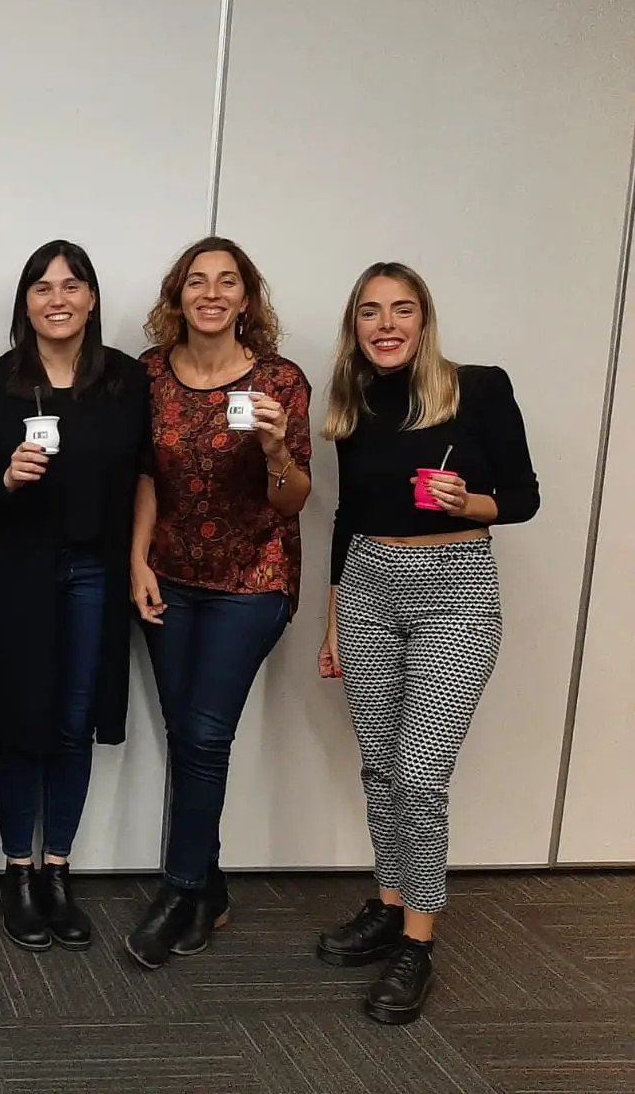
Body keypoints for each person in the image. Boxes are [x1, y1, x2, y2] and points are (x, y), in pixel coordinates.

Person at [315, 262, 538, 1025]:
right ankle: (388, 903)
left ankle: (418, 940)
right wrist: (334, 618)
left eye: (400, 310)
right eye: (370, 312)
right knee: (379, 767)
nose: (385, 325)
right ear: (355, 326)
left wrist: (467, 499)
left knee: (418, 773)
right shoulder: (353, 401)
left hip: (456, 588)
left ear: (424, 318)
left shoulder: (479, 387)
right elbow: (345, 516)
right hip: (370, 584)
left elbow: (526, 496)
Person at [0, 241, 152, 952]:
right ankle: (15, 871)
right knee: (20, 722)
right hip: (16, 574)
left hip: (94, 572)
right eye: (42, 287)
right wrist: (5, 479)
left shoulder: (125, 383)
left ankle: (57, 868)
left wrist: (136, 561)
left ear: (93, 298)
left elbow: (145, 480)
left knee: (72, 724)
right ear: (25, 303)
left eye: (72, 285)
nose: (58, 298)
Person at [126, 236, 313, 968]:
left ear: (246, 297)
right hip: (169, 574)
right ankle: (211, 887)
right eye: (196, 282)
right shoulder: (149, 376)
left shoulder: (280, 382)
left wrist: (274, 448)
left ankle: (177, 891)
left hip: (253, 579)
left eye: (226, 282)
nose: (211, 293)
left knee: (205, 736)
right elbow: (145, 475)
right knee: (187, 733)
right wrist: (136, 560)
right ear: (178, 296)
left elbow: (294, 497)